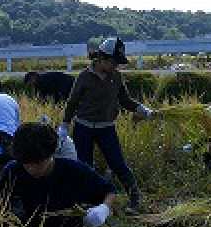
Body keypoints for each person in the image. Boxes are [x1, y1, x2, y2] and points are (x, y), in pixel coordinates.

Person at [0, 122, 117, 227]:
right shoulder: (14, 170)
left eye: (38, 163)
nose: (32, 169)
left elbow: (109, 191)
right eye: (26, 164)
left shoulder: (74, 171)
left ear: (51, 154)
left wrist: (103, 208)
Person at [58, 37, 157, 215]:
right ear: (102, 59)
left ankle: (134, 199)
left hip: (106, 128)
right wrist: (64, 125)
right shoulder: (84, 76)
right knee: (85, 165)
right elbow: (72, 102)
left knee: (118, 163)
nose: (116, 66)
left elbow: (125, 100)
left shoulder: (116, 77)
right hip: (83, 127)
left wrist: (142, 109)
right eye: (114, 62)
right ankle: (89, 202)